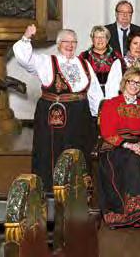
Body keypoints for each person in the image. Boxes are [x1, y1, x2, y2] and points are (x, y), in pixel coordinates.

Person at [12, 24, 103, 191]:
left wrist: (99, 117)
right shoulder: (47, 61)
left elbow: (95, 92)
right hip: (54, 115)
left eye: (73, 42)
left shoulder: (84, 64)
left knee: (79, 150)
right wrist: (26, 37)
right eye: (65, 42)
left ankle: (78, 193)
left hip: (80, 115)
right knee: (52, 152)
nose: (70, 45)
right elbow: (24, 59)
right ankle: (49, 193)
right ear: (59, 44)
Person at [97, 68, 140, 228]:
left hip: (139, 145)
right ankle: (133, 212)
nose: (134, 86)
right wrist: (129, 145)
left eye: (138, 83)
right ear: (124, 83)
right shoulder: (111, 104)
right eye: (131, 82)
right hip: (116, 146)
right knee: (131, 160)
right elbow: (107, 131)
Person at [104, 30, 140, 101]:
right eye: (135, 43)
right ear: (129, 44)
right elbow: (111, 91)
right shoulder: (119, 63)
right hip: (122, 106)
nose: (138, 47)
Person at [79, 25, 122, 95]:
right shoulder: (84, 56)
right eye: (97, 37)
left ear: (107, 39)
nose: (100, 40)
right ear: (92, 39)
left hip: (113, 92)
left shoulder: (116, 56)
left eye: (103, 37)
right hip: (91, 93)